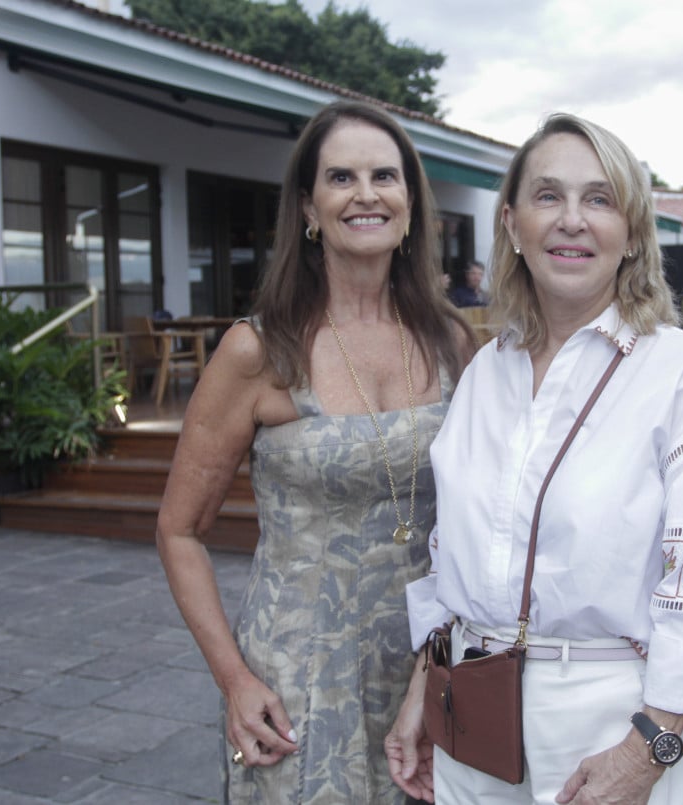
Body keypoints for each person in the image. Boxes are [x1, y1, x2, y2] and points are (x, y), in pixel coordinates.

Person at [385, 113, 683, 805]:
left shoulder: (679, 372)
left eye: (600, 199)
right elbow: (449, 558)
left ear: (632, 232)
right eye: (548, 195)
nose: (572, 220)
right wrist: (423, 693)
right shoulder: (486, 371)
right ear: (511, 223)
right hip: (471, 708)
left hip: (612, 720)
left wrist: (649, 750)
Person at [156, 100, 475, 803]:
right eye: (341, 177)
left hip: (431, 666)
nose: (366, 194)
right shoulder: (259, 349)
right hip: (300, 673)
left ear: (410, 201)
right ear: (308, 206)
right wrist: (235, 679)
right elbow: (178, 531)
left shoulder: (451, 341)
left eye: (384, 176)